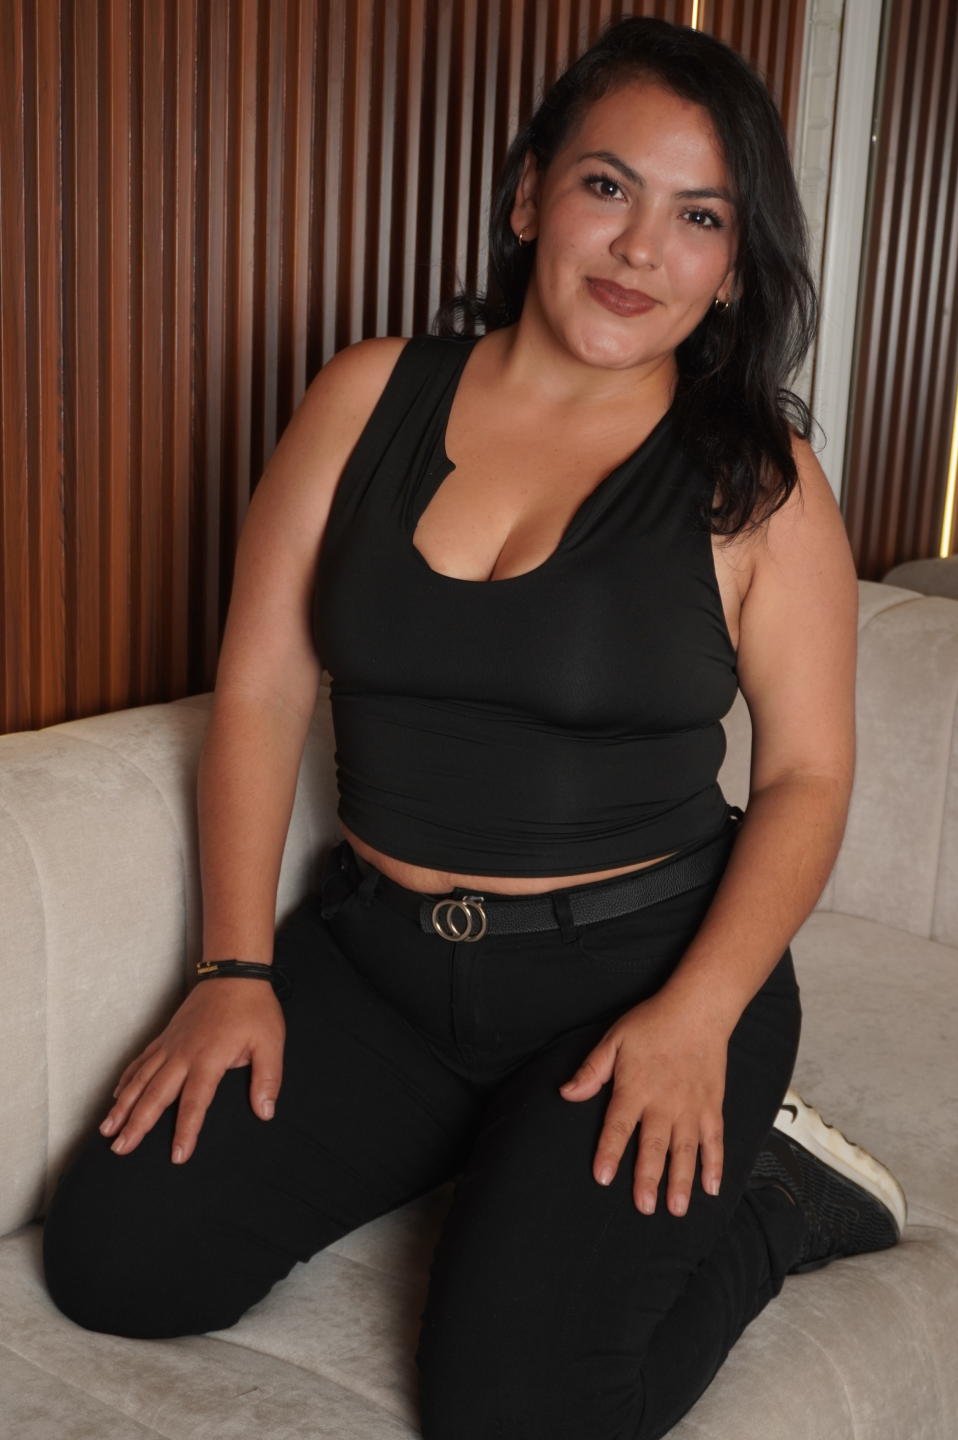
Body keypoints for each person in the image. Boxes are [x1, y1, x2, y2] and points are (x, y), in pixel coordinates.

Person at [43, 17, 906, 1440]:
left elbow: (809, 776)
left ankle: (781, 1197)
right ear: (526, 196)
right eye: (607, 186)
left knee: (515, 1417)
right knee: (118, 1266)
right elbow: (261, 689)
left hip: (639, 981)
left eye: (699, 217)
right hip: (380, 971)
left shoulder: (757, 480)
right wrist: (232, 967)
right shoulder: (363, 396)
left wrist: (697, 1019)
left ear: (734, 269)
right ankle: (492, 1145)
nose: (641, 248)